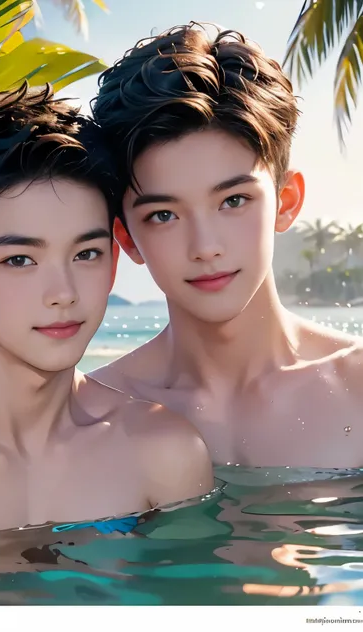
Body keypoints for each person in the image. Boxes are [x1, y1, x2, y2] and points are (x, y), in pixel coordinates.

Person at [0, 83, 213, 539]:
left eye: (86, 254)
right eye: (19, 259)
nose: (63, 293)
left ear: (114, 259)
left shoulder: (161, 451)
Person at [89, 23, 363, 469]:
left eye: (233, 201)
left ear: (286, 203)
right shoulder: (93, 416)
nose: (205, 246)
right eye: (164, 215)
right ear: (127, 238)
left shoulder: (359, 390)